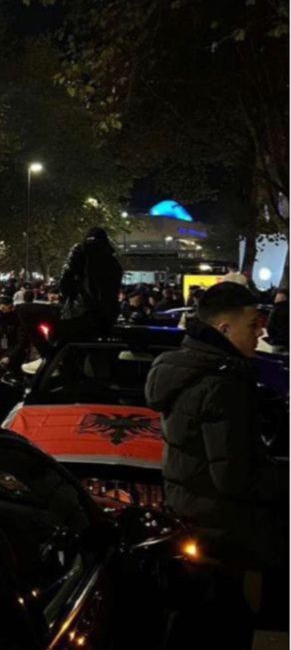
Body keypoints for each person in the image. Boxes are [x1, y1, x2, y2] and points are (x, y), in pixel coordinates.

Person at [145, 283, 287, 577]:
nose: (260, 332)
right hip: (224, 528)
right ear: (224, 329)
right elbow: (235, 477)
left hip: (197, 515)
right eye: (252, 325)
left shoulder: (191, 369)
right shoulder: (221, 385)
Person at [57, 227, 123, 343]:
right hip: (107, 314)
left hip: (81, 311)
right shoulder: (112, 258)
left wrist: (67, 297)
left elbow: (66, 277)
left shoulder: (80, 249)